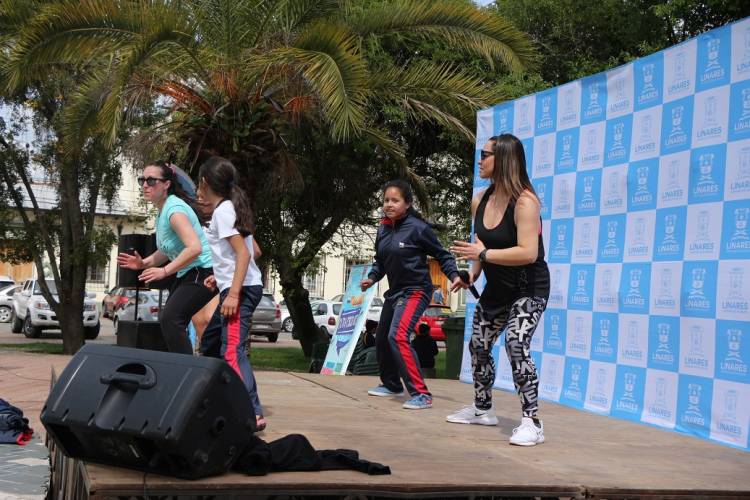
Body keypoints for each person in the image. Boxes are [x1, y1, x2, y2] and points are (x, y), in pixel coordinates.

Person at [448, 134, 550, 447]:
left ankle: (533, 422)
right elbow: (483, 248)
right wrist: (471, 274)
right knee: (478, 345)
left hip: (528, 289)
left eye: (485, 154)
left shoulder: (525, 202)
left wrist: (483, 256)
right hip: (497, 289)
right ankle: (482, 409)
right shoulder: (480, 200)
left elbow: (527, 252)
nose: (479, 160)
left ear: (504, 159)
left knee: (515, 343)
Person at [360, 180, 465, 410]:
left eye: (395, 200)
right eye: (386, 200)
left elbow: (442, 255)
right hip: (395, 292)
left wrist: (454, 275)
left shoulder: (418, 228)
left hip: (416, 291)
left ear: (407, 203)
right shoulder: (383, 229)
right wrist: (372, 277)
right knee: (382, 337)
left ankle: (421, 394)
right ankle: (391, 384)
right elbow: (380, 261)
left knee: (397, 336)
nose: (389, 204)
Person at [195, 156, 267, 431]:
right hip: (238, 285)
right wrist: (222, 275)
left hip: (241, 292)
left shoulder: (223, 212)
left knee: (232, 352)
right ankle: (216, 399)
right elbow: (254, 251)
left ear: (205, 183)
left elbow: (243, 254)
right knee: (212, 342)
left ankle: (253, 412)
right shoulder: (230, 208)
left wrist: (234, 292)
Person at [117, 161, 215, 354]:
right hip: (188, 273)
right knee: (170, 321)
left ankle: (186, 372)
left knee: (171, 319)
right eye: (142, 180)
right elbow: (166, 250)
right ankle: (183, 367)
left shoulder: (174, 210)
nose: (145, 185)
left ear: (167, 184)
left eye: (151, 180)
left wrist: (164, 271)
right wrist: (143, 263)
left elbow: (194, 248)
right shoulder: (163, 211)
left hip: (203, 272)